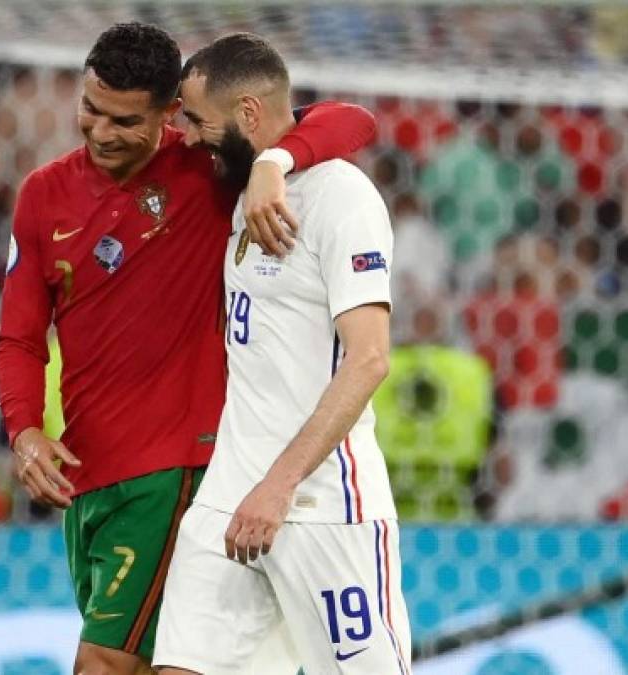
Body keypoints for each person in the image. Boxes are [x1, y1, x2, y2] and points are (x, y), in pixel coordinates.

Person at [0, 22, 378, 675]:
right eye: (92, 109)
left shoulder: (205, 167)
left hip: (175, 470)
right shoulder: (41, 194)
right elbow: (19, 335)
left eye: (126, 120)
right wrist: (25, 429)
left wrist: (271, 162)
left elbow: (353, 122)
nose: (102, 132)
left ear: (169, 112)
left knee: (103, 663)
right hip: (88, 477)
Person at [154, 33, 412, 674]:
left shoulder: (341, 199)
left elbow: (369, 360)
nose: (189, 137)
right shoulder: (243, 190)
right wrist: (271, 164)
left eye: (197, 120)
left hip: (324, 508)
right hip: (229, 497)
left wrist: (280, 485)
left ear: (246, 114)